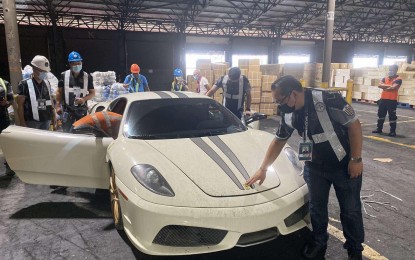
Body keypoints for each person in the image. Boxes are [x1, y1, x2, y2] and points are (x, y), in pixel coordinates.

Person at [246, 76, 364, 260]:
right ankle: (319, 242)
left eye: (280, 100)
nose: (279, 106)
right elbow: (278, 141)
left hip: (344, 166)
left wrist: (356, 159)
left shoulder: (328, 100)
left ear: (293, 94)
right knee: (317, 208)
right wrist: (263, 168)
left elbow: (354, 125)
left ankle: (355, 250)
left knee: (350, 210)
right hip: (314, 167)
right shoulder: (288, 113)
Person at [55, 51, 95, 132]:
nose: (77, 65)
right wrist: (58, 105)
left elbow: (92, 93)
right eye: (74, 63)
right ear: (70, 64)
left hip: (81, 110)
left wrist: (84, 99)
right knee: (67, 132)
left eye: (79, 63)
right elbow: (59, 92)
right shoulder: (64, 75)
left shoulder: (87, 77)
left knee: (81, 132)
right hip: (68, 110)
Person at [17, 55, 54, 130]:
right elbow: (20, 105)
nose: (44, 73)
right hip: (32, 122)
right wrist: (22, 122)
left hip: (46, 120)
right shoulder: (24, 84)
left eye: (45, 71)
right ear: (34, 69)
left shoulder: (47, 83)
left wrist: (54, 116)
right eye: (42, 71)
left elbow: (51, 101)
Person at [372, 64, 402, 137]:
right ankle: (379, 128)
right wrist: (390, 86)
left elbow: (394, 88)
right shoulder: (385, 78)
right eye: (389, 69)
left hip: (392, 100)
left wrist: (385, 86)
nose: (390, 71)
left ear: (396, 70)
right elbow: (379, 85)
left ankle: (392, 131)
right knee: (381, 115)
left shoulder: (398, 79)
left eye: (392, 69)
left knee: (392, 116)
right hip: (383, 100)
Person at [0, 77, 15, 176]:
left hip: (2, 118)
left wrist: (6, 103)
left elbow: (11, 99)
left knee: (5, 142)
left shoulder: (4, 83)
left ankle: (9, 163)